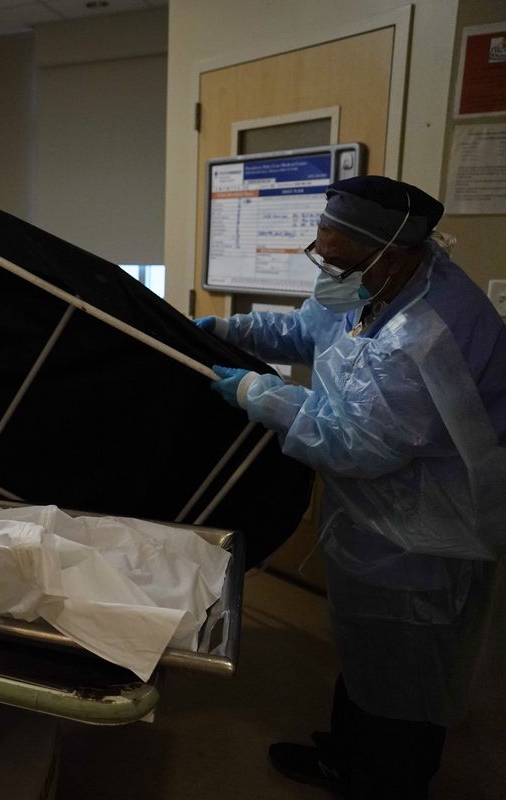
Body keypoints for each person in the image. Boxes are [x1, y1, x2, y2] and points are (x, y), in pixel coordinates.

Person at [197, 176, 505, 799]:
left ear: (390, 251)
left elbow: (354, 445)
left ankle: (385, 782)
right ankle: (347, 755)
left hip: (422, 539)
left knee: (404, 674)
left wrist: (263, 396)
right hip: (378, 521)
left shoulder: (427, 335)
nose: (326, 269)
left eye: (337, 260)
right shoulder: (378, 283)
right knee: (366, 652)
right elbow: (312, 329)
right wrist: (234, 331)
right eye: (320, 253)